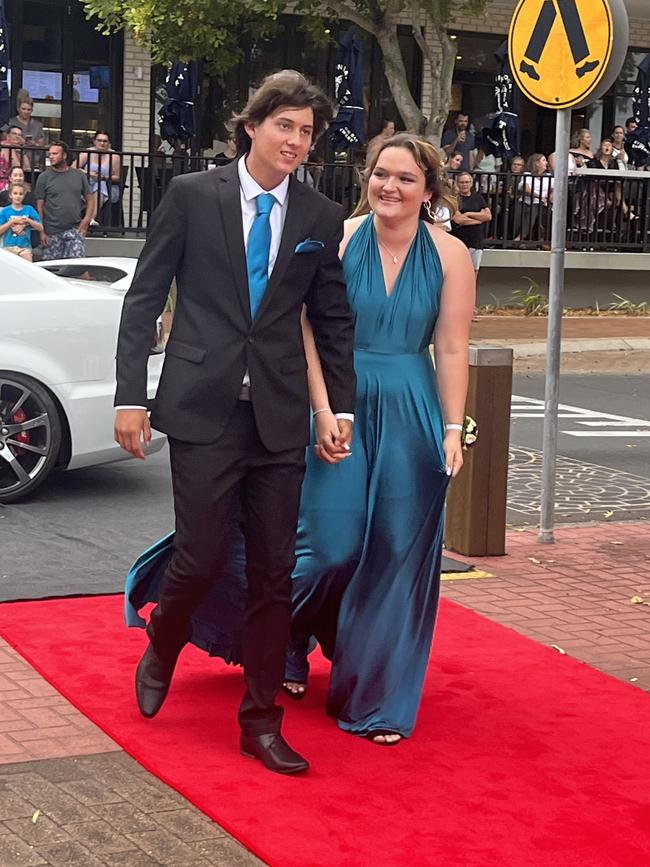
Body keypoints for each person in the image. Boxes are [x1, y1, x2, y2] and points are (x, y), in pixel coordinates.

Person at [125, 133, 474, 746]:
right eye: (381, 174)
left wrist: (451, 427)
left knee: (396, 555)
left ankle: (376, 697)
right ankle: (276, 641)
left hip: (410, 406)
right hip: (335, 400)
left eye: (405, 178)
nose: (389, 187)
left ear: (428, 189)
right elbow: (307, 327)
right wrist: (323, 408)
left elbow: (450, 347)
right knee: (326, 547)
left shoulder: (450, 256)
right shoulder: (336, 235)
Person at [114, 71, 356, 775]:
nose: (297, 141)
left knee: (275, 574)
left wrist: (335, 407)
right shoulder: (193, 196)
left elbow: (331, 319)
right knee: (203, 555)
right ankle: (165, 636)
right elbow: (144, 298)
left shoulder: (317, 214)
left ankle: (259, 720)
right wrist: (132, 395)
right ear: (252, 125)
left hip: (277, 417)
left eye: (308, 132)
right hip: (201, 409)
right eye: (286, 125)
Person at [34, 141, 93, 260]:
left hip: (74, 229)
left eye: (55, 153)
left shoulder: (78, 175)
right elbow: (39, 206)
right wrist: (41, 231)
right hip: (51, 231)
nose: (51, 156)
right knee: (52, 270)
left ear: (64, 155)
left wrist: (86, 220)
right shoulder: (44, 177)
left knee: (77, 266)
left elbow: (90, 198)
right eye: (50, 154)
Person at [74, 131, 122, 224]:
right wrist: (90, 173)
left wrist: (103, 177)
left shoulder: (114, 156)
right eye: (99, 140)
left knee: (100, 185)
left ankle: (90, 219)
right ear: (94, 141)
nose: (102, 143)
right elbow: (73, 168)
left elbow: (117, 177)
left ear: (109, 143)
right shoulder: (86, 153)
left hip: (108, 188)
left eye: (105, 141)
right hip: (86, 185)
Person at [451, 171, 492, 274]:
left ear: (471, 183)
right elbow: (458, 219)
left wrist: (468, 214)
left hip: (476, 241)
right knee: (458, 272)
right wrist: (479, 220)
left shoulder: (478, 198)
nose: (464, 185)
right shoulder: (454, 199)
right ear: (457, 183)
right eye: (461, 182)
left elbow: (488, 216)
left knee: (473, 272)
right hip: (459, 241)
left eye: (467, 182)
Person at [515, 153, 554, 243]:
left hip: (541, 204)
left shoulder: (549, 177)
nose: (546, 163)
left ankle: (521, 237)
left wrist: (549, 199)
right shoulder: (527, 175)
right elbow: (526, 188)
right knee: (519, 210)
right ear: (536, 163)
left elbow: (553, 191)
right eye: (544, 160)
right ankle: (518, 239)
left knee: (533, 209)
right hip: (526, 201)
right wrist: (539, 196)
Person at [0, 182, 43, 261]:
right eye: (15, 193)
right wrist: (10, 222)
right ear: (10, 195)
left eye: (21, 194)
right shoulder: (5, 211)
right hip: (9, 247)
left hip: (25, 247)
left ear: (24, 195)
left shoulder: (29, 209)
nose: (18, 196)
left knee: (28, 267)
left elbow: (40, 227)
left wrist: (27, 220)